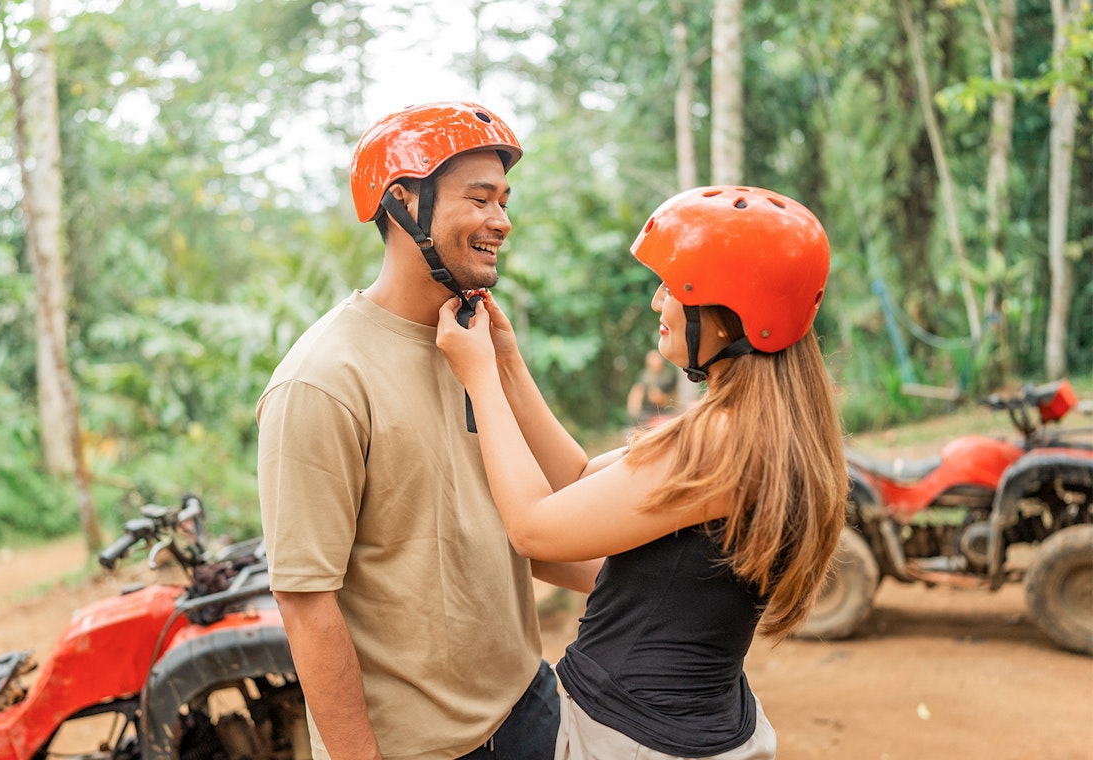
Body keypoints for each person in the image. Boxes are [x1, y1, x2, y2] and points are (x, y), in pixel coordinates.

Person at [435, 185, 848, 759]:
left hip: (627, 740)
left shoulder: (718, 443)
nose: (659, 302)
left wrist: (479, 378)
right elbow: (580, 480)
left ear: (728, 313)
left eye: (675, 288)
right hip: (699, 730)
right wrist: (506, 362)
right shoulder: (760, 431)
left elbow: (533, 527)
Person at [257, 101, 599, 760]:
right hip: (422, 749)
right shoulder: (322, 381)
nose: (501, 221)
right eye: (479, 199)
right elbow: (306, 604)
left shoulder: (473, 341)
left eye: (504, 200)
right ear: (402, 202)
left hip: (528, 703)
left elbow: (532, 524)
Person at [626, 348, 678, 428]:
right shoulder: (643, 377)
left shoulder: (669, 376)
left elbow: (675, 396)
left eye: (657, 360)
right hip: (646, 413)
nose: (655, 363)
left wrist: (663, 399)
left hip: (664, 412)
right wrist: (634, 414)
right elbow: (636, 394)